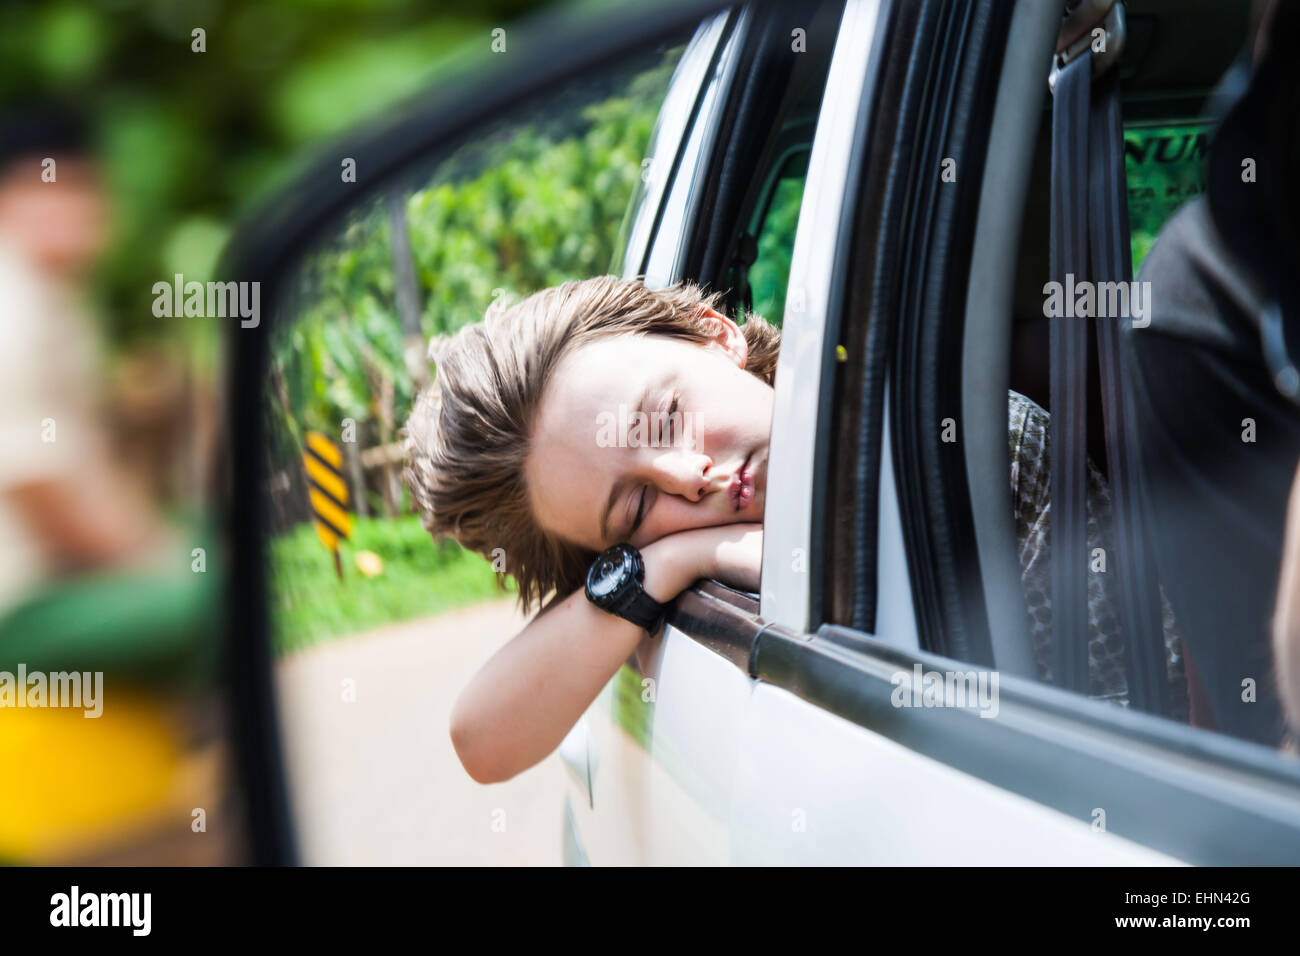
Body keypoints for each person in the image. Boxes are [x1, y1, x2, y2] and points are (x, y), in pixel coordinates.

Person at [404, 275, 1185, 784]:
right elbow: (482, 739)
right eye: (638, 509)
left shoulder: (963, 458)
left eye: (668, 416)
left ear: (717, 334)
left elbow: (1133, 750)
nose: (688, 475)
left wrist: (683, 545)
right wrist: (674, 565)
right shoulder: (666, 570)